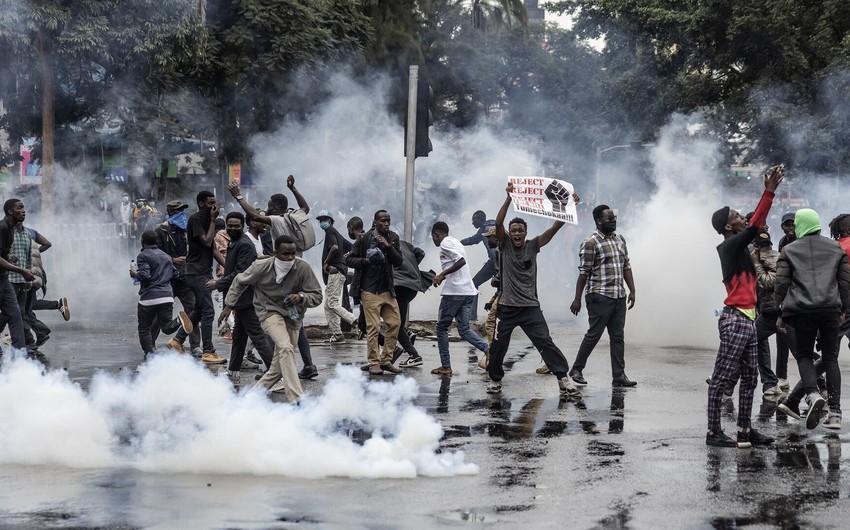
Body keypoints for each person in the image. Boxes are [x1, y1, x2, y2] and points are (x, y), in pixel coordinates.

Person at [706, 164, 784, 448]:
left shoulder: (739, 248)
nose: (742, 216)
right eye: (737, 216)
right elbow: (754, 226)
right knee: (721, 379)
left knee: (750, 379)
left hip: (747, 320)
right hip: (736, 319)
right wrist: (769, 192)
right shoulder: (728, 247)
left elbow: (756, 225)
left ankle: (744, 431)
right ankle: (714, 432)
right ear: (729, 227)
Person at [485, 182, 582, 399]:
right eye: (514, 231)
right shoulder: (504, 246)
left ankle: (562, 378)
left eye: (520, 230)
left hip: (530, 308)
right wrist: (509, 197)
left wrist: (569, 209)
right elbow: (499, 222)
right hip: (507, 308)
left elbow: (554, 229)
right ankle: (495, 380)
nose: (517, 233)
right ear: (508, 234)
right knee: (499, 346)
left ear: (526, 233)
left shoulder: (533, 246)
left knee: (545, 343)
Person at [228, 177, 318, 379]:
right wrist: (293, 188)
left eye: (269, 207)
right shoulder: (296, 216)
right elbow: (305, 205)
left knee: (279, 323)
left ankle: (280, 371)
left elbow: (253, 215)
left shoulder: (278, 221)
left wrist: (238, 196)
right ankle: (307, 365)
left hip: (284, 277)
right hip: (296, 273)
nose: (267, 211)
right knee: (296, 321)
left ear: (275, 208)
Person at [775, 208, 850, 430]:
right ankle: (835, 414)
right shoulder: (835, 247)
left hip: (801, 311)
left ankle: (811, 394)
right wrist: (843, 309)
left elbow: (781, 285)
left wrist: (780, 313)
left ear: (800, 225)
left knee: (805, 355)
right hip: (830, 310)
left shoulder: (789, 250)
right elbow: (845, 282)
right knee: (830, 358)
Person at [224, 235, 323, 403]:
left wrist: (300, 296)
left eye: (293, 253)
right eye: (286, 254)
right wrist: (229, 304)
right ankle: (297, 399)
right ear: (275, 252)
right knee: (285, 348)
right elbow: (239, 281)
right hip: (268, 311)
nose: (290, 258)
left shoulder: (303, 268)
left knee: (278, 366)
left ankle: (250, 398)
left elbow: (317, 296)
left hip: (293, 315)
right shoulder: (261, 266)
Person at [569, 204, 637, 387]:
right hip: (599, 296)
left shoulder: (620, 239)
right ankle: (576, 369)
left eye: (614, 218)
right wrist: (577, 299)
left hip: (618, 296)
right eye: (609, 219)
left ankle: (619, 376)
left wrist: (632, 290)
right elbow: (584, 273)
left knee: (617, 337)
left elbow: (626, 266)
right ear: (598, 221)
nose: (613, 221)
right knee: (594, 334)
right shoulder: (591, 243)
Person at [209, 212, 274, 382]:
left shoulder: (244, 245)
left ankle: (277, 373)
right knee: (239, 336)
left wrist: (218, 284)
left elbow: (240, 274)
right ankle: (233, 372)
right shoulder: (235, 243)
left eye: (236, 225)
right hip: (240, 298)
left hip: (246, 297)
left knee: (258, 337)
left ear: (243, 226)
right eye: (229, 225)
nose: (232, 228)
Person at [344, 210, 404, 375]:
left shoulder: (392, 237)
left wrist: (387, 246)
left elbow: (398, 261)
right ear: (375, 222)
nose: (386, 224)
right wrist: (366, 261)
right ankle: (374, 363)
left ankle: (386, 360)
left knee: (395, 323)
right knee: (374, 327)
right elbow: (348, 259)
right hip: (369, 290)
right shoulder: (364, 238)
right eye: (383, 221)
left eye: (388, 221)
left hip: (387, 289)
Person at [430, 221, 489, 376]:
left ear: (436, 234)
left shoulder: (445, 243)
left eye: (433, 237)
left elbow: (460, 261)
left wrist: (441, 275)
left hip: (454, 292)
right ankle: (488, 350)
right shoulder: (455, 241)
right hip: (467, 291)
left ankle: (446, 366)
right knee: (463, 329)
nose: (434, 241)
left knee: (441, 328)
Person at [130, 231, 193, 357]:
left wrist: (135, 274)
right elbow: (175, 274)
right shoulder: (166, 256)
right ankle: (179, 319)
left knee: (144, 328)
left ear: (142, 241)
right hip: (167, 297)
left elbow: (145, 275)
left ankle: (150, 354)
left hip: (149, 297)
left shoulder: (143, 256)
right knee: (167, 327)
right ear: (157, 242)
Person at [183, 191, 227, 364]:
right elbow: (207, 241)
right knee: (208, 311)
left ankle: (177, 340)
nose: (214, 206)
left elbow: (213, 249)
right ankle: (208, 351)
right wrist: (213, 219)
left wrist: (228, 267)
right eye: (210, 203)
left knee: (200, 310)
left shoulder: (208, 220)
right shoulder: (196, 219)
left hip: (203, 271)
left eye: (215, 202)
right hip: (196, 272)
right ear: (201, 203)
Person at [157, 200, 201, 355]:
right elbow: (154, 252)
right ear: (170, 212)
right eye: (177, 211)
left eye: (183, 210)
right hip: (167, 279)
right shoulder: (161, 231)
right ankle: (149, 344)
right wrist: (172, 259)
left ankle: (195, 345)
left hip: (185, 277)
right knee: (160, 312)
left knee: (193, 309)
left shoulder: (187, 230)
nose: (181, 214)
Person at [0, 199, 36, 348]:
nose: (23, 211)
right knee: (13, 315)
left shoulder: (11, 229)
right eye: (19, 208)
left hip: (3, 279)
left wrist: (10, 258)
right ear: (10, 211)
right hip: (3, 279)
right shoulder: (2, 228)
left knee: (16, 316)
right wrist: (21, 270)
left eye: (23, 208)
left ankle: (20, 359)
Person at [316, 209, 356, 341]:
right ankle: (337, 334)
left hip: (336, 272)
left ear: (330, 221)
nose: (322, 222)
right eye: (320, 220)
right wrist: (345, 257)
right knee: (328, 305)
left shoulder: (330, 232)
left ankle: (355, 321)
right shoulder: (336, 233)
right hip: (338, 271)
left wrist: (326, 263)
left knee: (332, 303)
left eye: (324, 220)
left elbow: (334, 248)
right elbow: (351, 247)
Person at [775, 211, 798, 388]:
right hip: (787, 295)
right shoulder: (783, 243)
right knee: (783, 339)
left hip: (800, 297)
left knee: (796, 345)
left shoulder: (802, 240)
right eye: (787, 224)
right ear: (782, 226)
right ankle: (781, 377)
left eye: (793, 224)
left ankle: (819, 380)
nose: (790, 227)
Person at [460, 210, 496, 321]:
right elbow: (473, 240)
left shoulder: (486, 229)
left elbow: (495, 250)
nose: (472, 223)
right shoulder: (485, 228)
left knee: (474, 283)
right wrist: (458, 242)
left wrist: (498, 267)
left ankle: (472, 317)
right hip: (497, 262)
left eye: (474, 220)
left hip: (497, 262)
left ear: (480, 219)